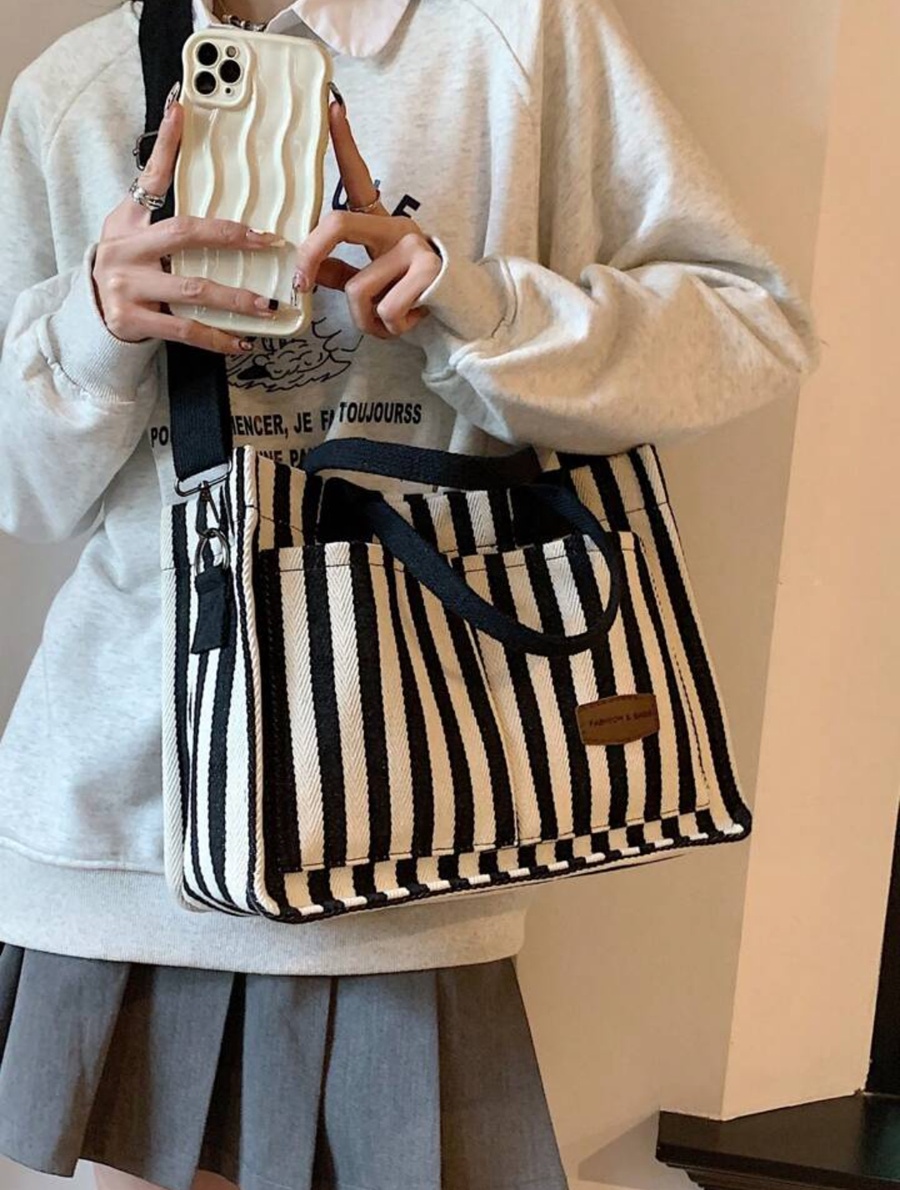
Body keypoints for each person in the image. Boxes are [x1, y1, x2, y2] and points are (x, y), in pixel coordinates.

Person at [0, 1, 822, 1189]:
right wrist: (91, 322)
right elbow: (25, 497)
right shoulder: (74, 93)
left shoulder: (515, 39)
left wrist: (475, 304)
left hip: (402, 817)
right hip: (122, 823)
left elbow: (752, 326)